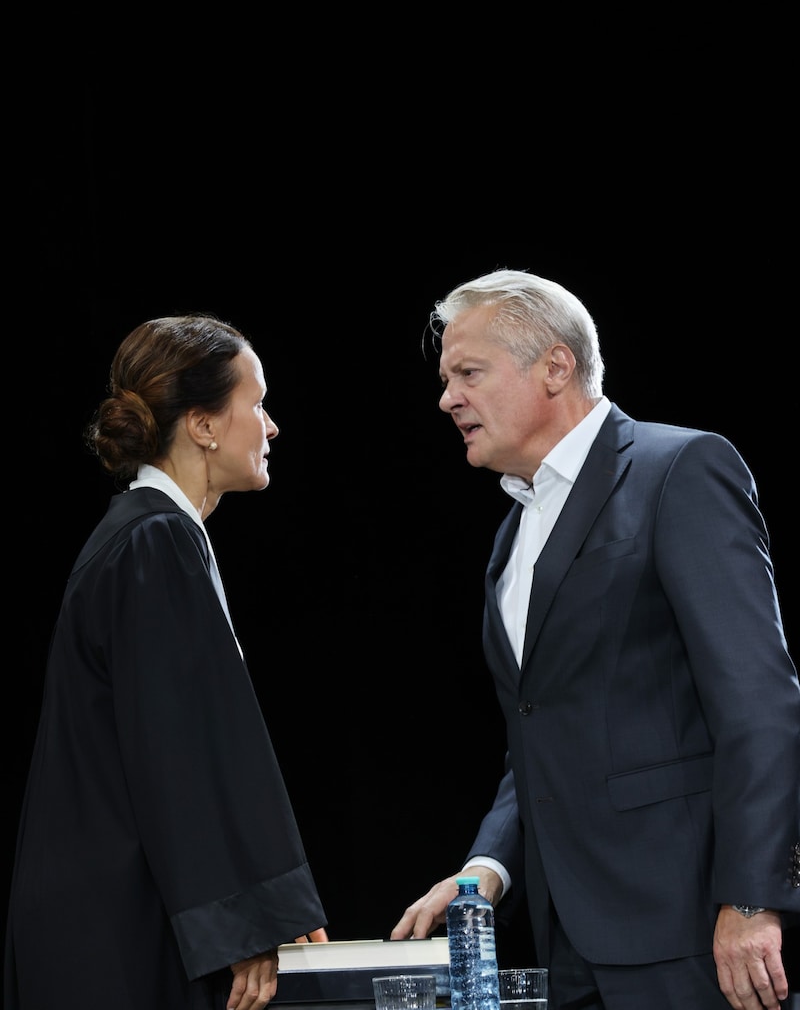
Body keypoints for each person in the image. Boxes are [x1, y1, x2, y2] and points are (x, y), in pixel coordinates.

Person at [391, 271, 800, 1010]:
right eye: (448, 378)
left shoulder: (679, 470)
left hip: (690, 927)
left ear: (555, 366)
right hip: (567, 938)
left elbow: (758, 702)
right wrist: (488, 863)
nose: (447, 397)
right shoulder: (512, 532)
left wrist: (750, 898)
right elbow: (540, 728)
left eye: (468, 373)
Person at [5, 314, 328, 1010]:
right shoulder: (154, 541)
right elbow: (178, 750)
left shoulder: (151, 534)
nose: (270, 427)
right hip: (115, 931)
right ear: (204, 424)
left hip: (109, 913)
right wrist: (248, 918)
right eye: (258, 404)